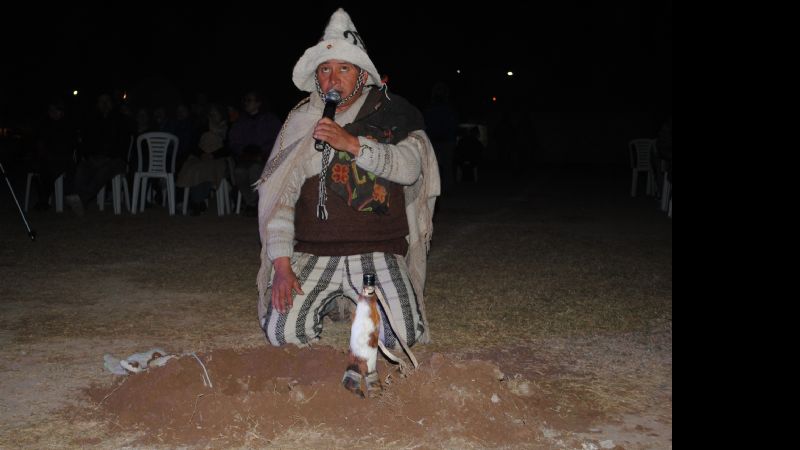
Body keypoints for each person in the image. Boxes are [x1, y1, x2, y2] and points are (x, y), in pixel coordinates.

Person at [255, 8, 440, 353]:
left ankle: (362, 301)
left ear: (361, 75)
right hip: (313, 252)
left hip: (377, 248)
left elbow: (410, 167)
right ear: (317, 77)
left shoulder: (390, 112)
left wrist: (352, 145)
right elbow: (279, 199)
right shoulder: (301, 120)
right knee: (282, 335)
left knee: (399, 339)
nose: (333, 78)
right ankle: (328, 300)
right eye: (325, 69)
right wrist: (281, 265)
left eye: (344, 68)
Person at [227, 90, 281, 216]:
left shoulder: (270, 120)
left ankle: (257, 203)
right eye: (245, 100)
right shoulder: (241, 121)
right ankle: (252, 203)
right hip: (245, 158)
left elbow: (279, 138)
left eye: (249, 100)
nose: (246, 103)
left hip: (265, 159)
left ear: (258, 103)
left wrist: (263, 151)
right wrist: (243, 151)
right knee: (239, 172)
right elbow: (233, 141)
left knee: (255, 170)